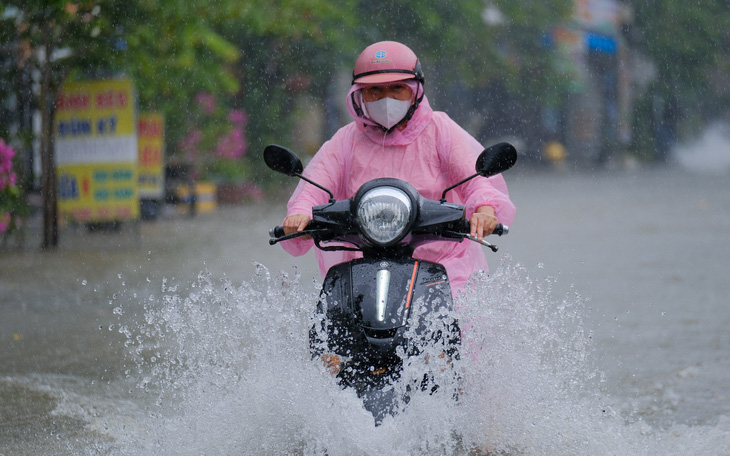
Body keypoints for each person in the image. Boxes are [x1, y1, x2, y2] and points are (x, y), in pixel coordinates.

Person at [280, 41, 516, 293]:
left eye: (396, 89)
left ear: (415, 91)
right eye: (375, 91)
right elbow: (314, 185)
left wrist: (485, 210)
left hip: (443, 265)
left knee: (455, 323)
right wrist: (301, 214)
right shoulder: (345, 140)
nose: (386, 99)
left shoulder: (441, 130)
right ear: (360, 95)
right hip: (364, 266)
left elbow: (475, 179)